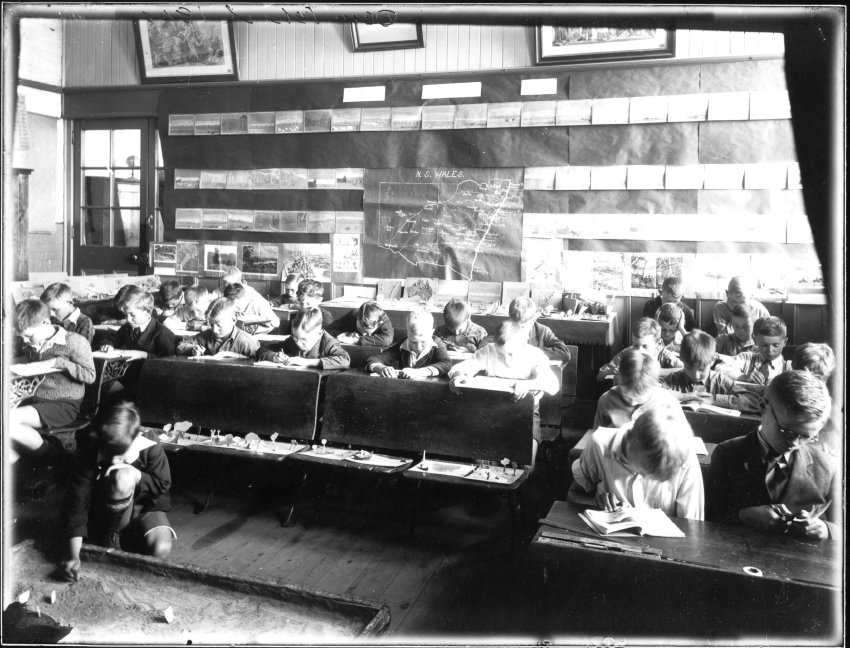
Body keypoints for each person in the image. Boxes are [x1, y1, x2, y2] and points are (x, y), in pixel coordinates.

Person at [706, 371, 837, 539]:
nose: (794, 442)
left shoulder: (825, 467)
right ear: (762, 406)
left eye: (806, 436)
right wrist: (744, 515)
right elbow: (709, 516)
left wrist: (826, 529)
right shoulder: (727, 453)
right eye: (785, 431)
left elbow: (841, 526)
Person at [61, 403, 175, 581]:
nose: (114, 460)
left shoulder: (150, 446)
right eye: (109, 452)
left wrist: (136, 474)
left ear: (135, 438)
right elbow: (77, 505)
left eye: (120, 453)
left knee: (161, 550)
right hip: (108, 510)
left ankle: (127, 539)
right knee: (121, 477)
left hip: (145, 508)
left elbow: (163, 484)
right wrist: (74, 555)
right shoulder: (89, 452)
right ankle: (110, 535)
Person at [449, 321, 559, 466]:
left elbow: (553, 385)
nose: (506, 360)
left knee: (526, 465)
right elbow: (462, 367)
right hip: (493, 412)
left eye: (511, 354)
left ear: (523, 344)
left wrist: (529, 384)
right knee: (481, 463)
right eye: (501, 355)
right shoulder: (490, 350)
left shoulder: (534, 355)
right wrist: (458, 375)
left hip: (525, 415)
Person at [569, 403, 704, 520]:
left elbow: (692, 526)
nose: (643, 478)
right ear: (630, 440)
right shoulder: (599, 445)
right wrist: (595, 502)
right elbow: (573, 495)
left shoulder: (685, 458)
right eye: (641, 470)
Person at [10, 299, 96, 464]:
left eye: (29, 336)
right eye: (22, 337)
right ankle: (19, 465)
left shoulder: (74, 341)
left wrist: (59, 363)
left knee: (8, 420)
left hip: (64, 403)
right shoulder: (31, 342)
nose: (25, 341)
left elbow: (90, 375)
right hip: (34, 399)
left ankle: (55, 459)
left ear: (45, 323)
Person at [661, 330, 760, 413]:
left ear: (712, 361)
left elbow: (754, 401)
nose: (696, 375)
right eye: (689, 368)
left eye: (701, 369)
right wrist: (683, 396)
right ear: (682, 360)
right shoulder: (672, 379)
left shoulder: (720, 380)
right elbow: (655, 393)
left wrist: (715, 400)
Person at [593, 350, 680, 429]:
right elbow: (596, 434)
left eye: (640, 391)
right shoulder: (607, 400)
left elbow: (680, 438)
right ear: (620, 379)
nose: (633, 401)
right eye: (629, 391)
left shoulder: (667, 401)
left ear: (653, 384)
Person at [177, 298, 276, 360]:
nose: (214, 330)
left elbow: (260, 357)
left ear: (233, 320)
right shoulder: (206, 335)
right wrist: (192, 349)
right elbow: (180, 346)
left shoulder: (246, 341)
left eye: (219, 325)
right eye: (211, 324)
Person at [366, 307, 451, 379]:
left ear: (432, 333)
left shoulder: (437, 345)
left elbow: (446, 364)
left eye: (423, 342)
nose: (418, 347)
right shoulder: (402, 345)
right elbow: (373, 359)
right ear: (407, 333)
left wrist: (420, 372)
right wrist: (381, 368)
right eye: (413, 342)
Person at [597, 317, 683, 384]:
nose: (639, 351)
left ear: (658, 343)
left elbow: (684, 369)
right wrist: (612, 371)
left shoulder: (664, 354)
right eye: (636, 345)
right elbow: (600, 376)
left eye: (645, 346)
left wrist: (658, 372)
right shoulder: (627, 353)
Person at [100, 289, 176, 358]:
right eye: (126, 315)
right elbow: (113, 339)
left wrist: (144, 355)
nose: (128, 319)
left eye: (132, 315)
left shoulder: (162, 334)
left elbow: (169, 362)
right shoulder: (127, 327)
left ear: (148, 312)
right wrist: (108, 344)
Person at [273, 307, 351, 370]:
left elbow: (345, 361)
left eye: (303, 339)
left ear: (319, 334)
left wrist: (305, 362)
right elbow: (268, 348)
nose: (298, 343)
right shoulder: (292, 341)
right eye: (295, 338)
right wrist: (274, 356)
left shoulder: (328, 343)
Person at [724, 316, 791, 385]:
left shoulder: (789, 367)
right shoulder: (746, 358)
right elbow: (719, 367)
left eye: (776, 345)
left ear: (785, 342)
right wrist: (743, 377)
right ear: (755, 340)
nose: (770, 350)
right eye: (764, 345)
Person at [508, 296, 571, 362]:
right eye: (515, 325)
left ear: (533, 319)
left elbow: (565, 352)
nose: (519, 330)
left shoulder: (543, 331)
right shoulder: (505, 331)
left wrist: (533, 351)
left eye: (523, 327)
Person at [328, 301, 394, 347]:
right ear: (357, 318)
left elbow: (387, 340)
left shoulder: (382, 319)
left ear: (379, 323)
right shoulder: (354, 314)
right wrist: (343, 334)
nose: (363, 334)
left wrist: (357, 340)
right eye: (359, 329)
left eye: (367, 333)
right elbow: (328, 329)